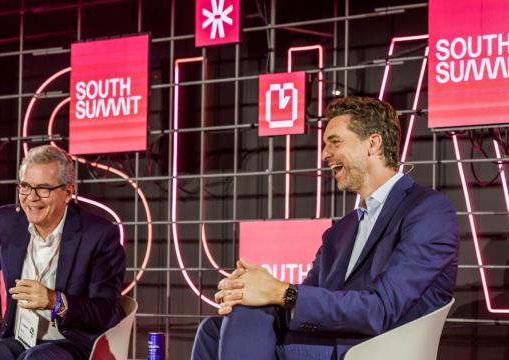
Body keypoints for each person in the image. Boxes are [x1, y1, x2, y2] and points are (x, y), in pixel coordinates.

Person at [191, 96, 459, 360]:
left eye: (335, 143)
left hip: (371, 348)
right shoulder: (340, 232)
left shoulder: (428, 210)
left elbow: (380, 309)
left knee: (242, 325)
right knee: (218, 327)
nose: (324, 154)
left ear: (373, 144)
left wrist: (281, 291)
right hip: (325, 341)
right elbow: (307, 299)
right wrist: (250, 291)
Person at [0, 145, 126, 360]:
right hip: (18, 338)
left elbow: (108, 312)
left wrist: (55, 301)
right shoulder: (7, 221)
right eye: (25, 187)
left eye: (43, 189)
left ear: (68, 192)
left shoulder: (98, 235)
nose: (31, 198)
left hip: (70, 343)